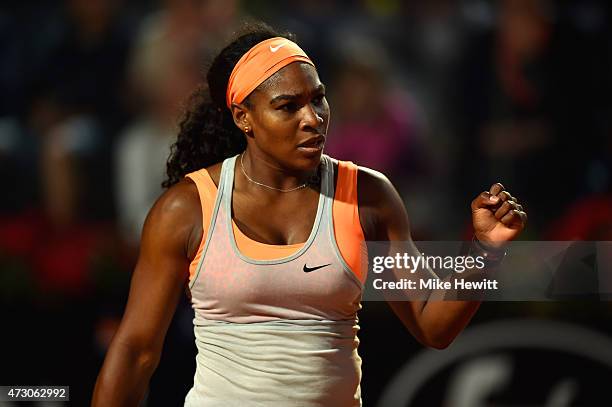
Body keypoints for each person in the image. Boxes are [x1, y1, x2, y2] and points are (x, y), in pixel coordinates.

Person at [91, 22, 527, 407]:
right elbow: (136, 350)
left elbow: (434, 326)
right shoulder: (187, 207)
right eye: (288, 107)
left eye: (318, 99)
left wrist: (485, 249)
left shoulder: (368, 196)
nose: (312, 119)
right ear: (244, 117)